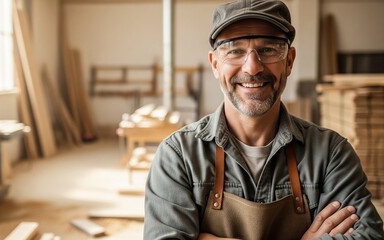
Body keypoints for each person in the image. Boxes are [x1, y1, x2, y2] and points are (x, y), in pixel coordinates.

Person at [143, 0, 384, 239]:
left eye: (268, 49)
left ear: (289, 61)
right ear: (215, 64)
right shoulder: (179, 157)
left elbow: (367, 236)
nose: (253, 68)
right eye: (235, 50)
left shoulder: (330, 154)